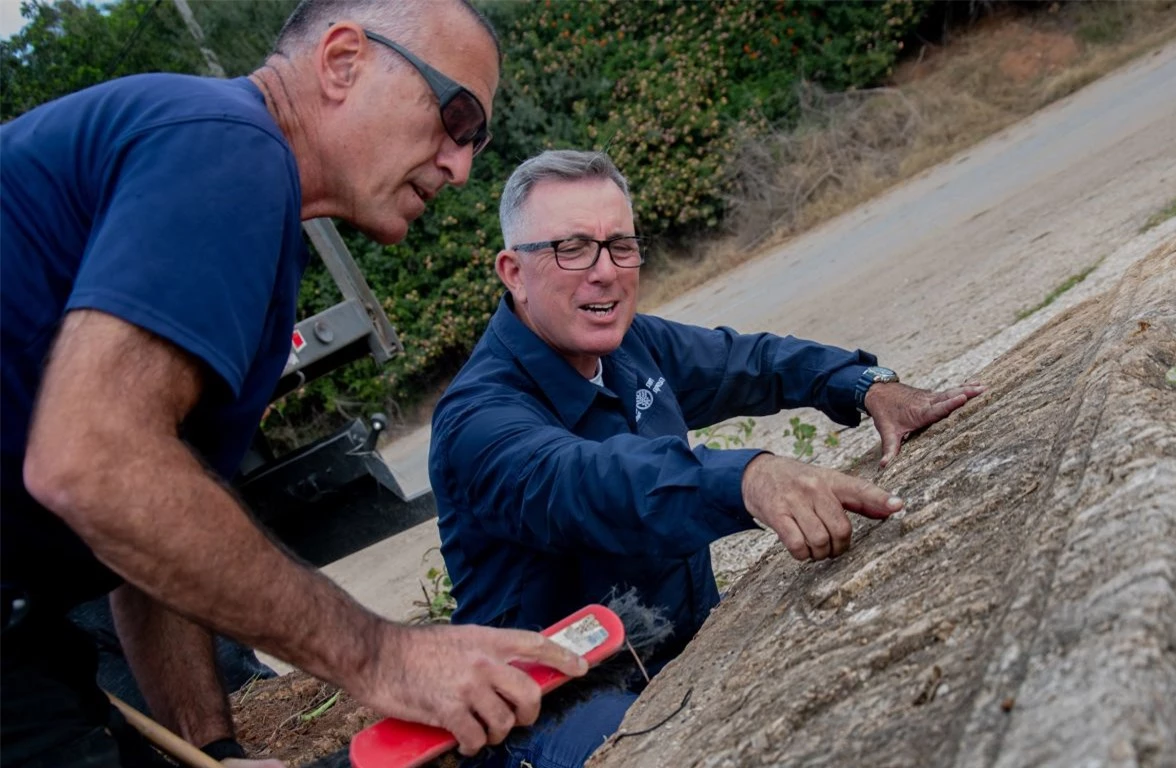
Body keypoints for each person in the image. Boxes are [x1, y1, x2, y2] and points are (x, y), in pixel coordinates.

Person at [0, 2, 587, 766]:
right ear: (343, 60)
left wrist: (217, 749)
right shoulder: (227, 144)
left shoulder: (239, 202)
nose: (461, 165)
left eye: (475, 141)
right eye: (456, 115)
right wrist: (384, 657)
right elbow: (93, 463)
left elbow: (144, 533)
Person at [428, 149, 984, 766]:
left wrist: (866, 383)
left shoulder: (631, 346)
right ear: (513, 271)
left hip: (683, 647)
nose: (605, 272)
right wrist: (749, 478)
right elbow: (595, 486)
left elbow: (749, 362)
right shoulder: (477, 421)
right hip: (553, 703)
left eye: (620, 245)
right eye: (573, 249)